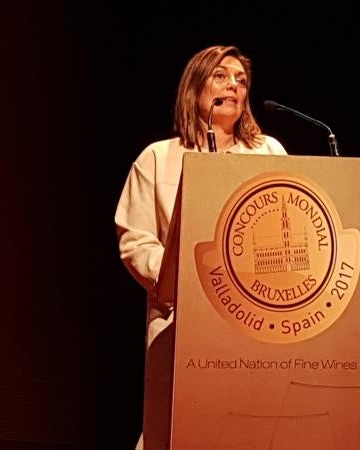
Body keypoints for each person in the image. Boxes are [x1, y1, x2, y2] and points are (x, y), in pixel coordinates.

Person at [114, 45, 287, 450]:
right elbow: (135, 240)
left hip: (255, 325)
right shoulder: (157, 158)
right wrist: (182, 277)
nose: (234, 86)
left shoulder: (268, 152)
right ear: (195, 88)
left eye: (241, 81)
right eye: (221, 76)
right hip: (180, 323)